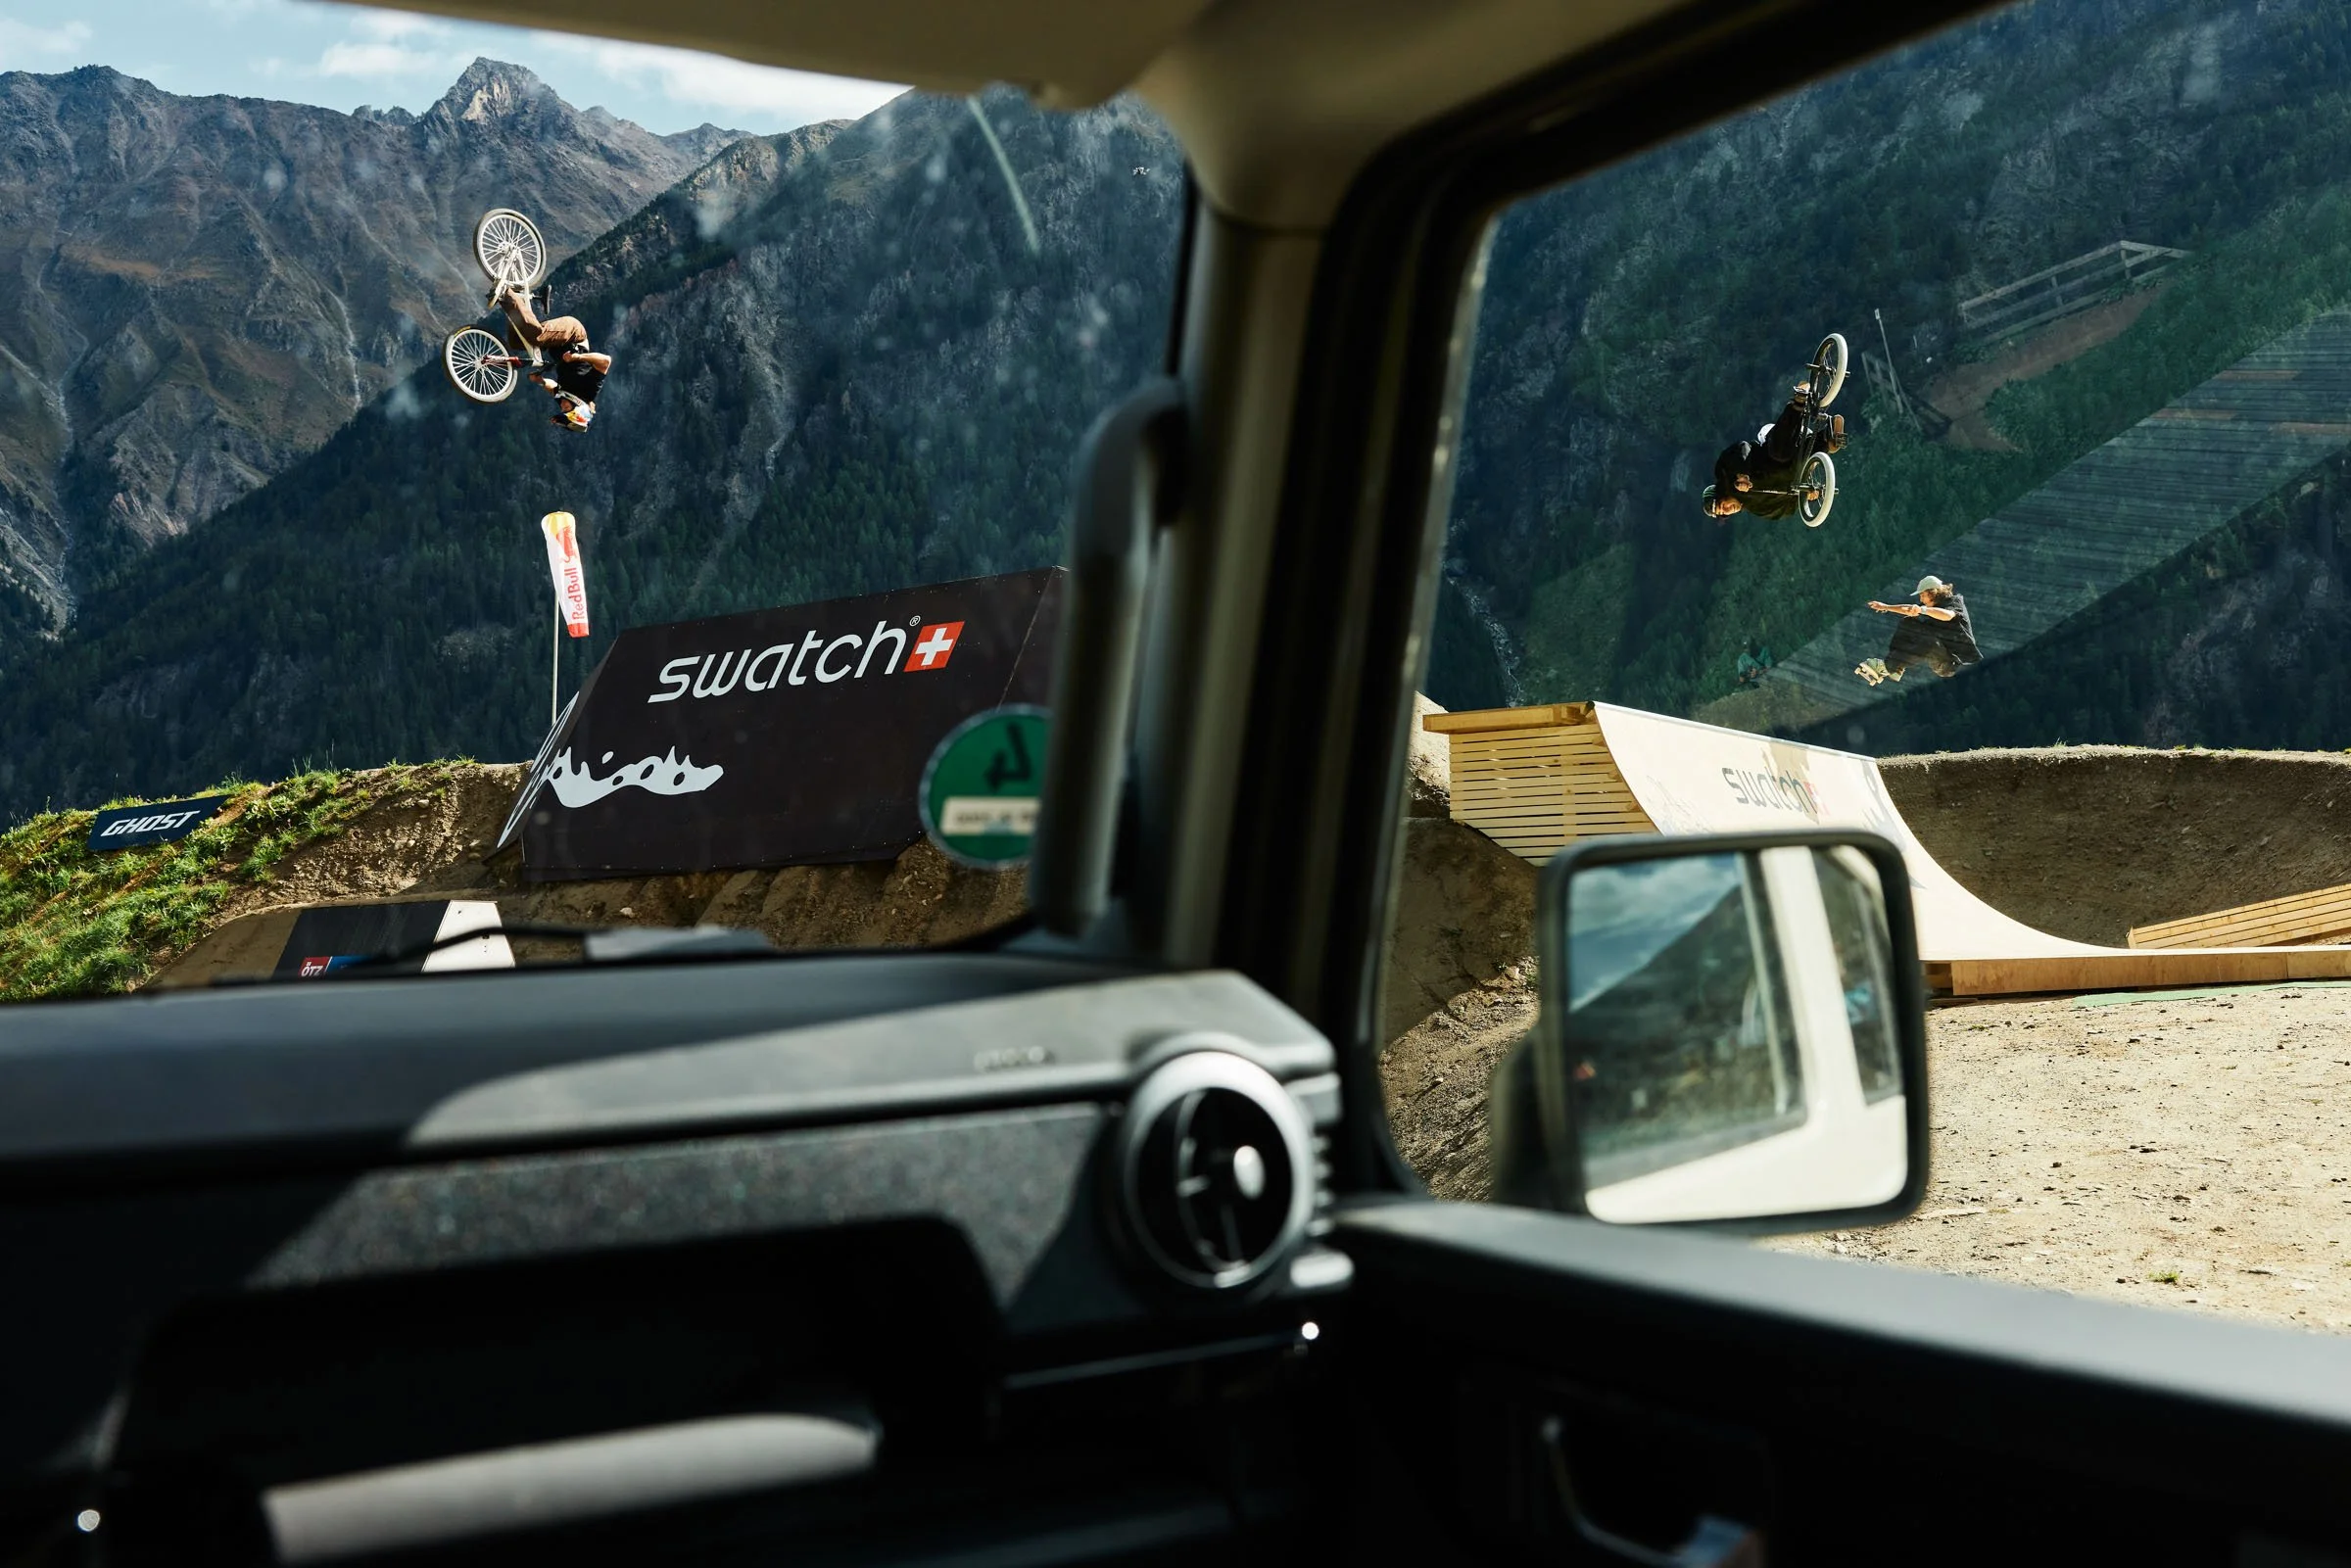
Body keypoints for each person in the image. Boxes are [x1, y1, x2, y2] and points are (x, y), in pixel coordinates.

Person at [1703, 384, 1846, 520]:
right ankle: (1830, 435)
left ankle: (1798, 402)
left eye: (1723, 505)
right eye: (1724, 513)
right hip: (1795, 466)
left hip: (1776, 444)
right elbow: (1786, 509)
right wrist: (1806, 494)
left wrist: (1742, 474)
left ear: (1721, 493)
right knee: (1801, 468)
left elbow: (1742, 448)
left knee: (1780, 454)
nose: (1728, 510)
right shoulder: (1758, 509)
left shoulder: (1726, 472)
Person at [496, 282, 611, 431]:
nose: (562, 407)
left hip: (554, 344)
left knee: (517, 342)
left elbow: (553, 388)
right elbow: (605, 362)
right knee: (536, 337)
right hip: (573, 335)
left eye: (563, 410)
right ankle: (506, 292)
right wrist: (577, 357)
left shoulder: (564, 398)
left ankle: (517, 297)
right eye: (567, 409)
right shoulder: (589, 391)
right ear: (577, 407)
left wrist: (541, 381)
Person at [1855, 575, 1980, 686]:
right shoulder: (1932, 605)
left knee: (1929, 642)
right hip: (1939, 648)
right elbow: (1908, 609)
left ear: (1933, 593)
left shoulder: (1954, 603)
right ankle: (1896, 667)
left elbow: (1947, 615)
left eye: (1922, 595)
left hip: (1949, 662)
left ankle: (1888, 667)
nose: (1921, 600)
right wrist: (1886, 607)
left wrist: (1922, 610)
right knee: (1908, 622)